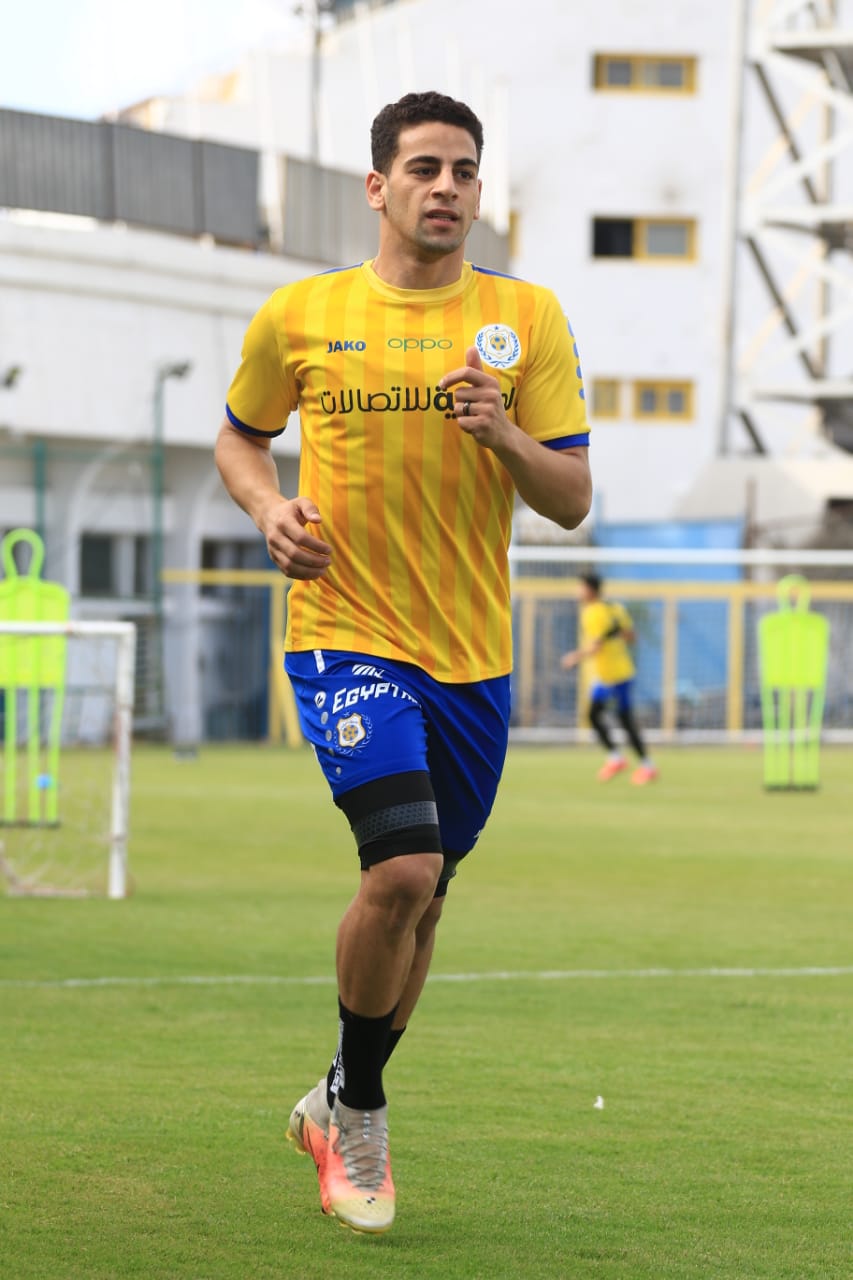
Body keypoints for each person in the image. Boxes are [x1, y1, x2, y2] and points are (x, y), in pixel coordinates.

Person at [214, 90, 592, 1235]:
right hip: (343, 632)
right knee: (401, 870)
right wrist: (269, 509)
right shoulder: (303, 313)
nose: (446, 187)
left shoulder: (525, 317)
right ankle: (364, 1116)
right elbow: (240, 436)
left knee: (424, 900)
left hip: (470, 658)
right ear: (376, 187)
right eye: (424, 167)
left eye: (464, 170)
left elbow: (571, 498)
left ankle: (335, 1091)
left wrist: (506, 432)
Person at [560, 573, 658, 784]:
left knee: (623, 719)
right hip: (609, 675)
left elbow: (596, 647)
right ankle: (616, 759)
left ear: (590, 590)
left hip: (616, 675)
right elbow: (631, 638)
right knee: (594, 715)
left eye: (580, 588)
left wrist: (574, 657)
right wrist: (616, 633)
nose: (578, 592)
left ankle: (647, 766)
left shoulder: (593, 613)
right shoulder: (616, 608)